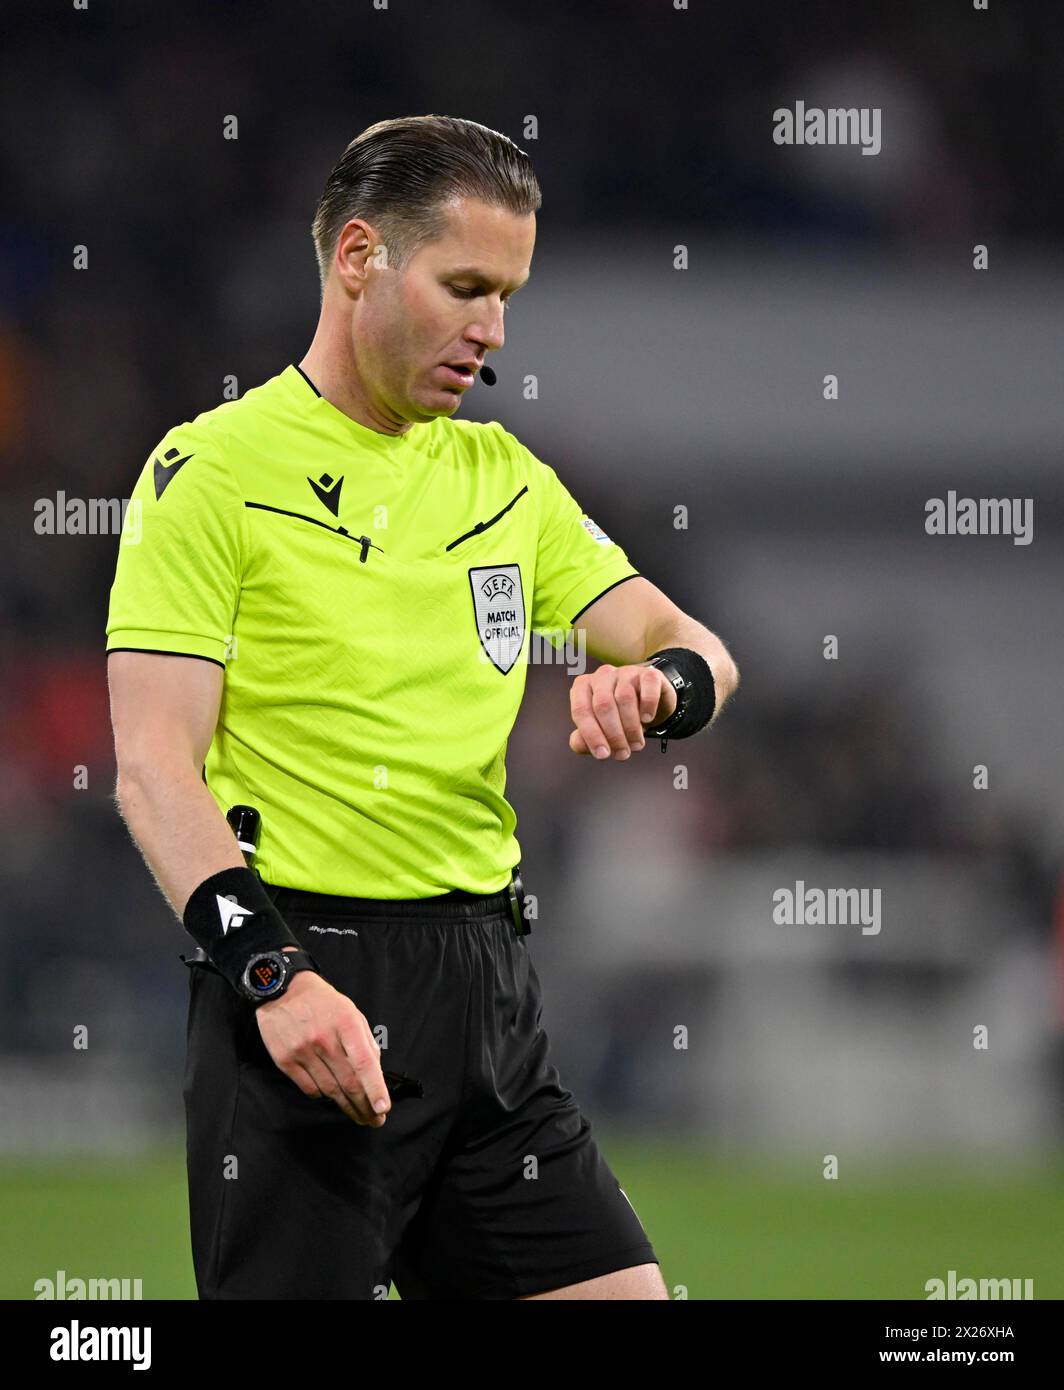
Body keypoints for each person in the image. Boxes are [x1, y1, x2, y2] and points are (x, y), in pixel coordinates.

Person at [105, 114, 739, 1301]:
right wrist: (271, 978)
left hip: (487, 996)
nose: (490, 331)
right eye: (463, 286)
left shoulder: (504, 479)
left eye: (506, 295)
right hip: (308, 982)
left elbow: (689, 641)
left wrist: (662, 687)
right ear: (358, 259)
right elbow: (151, 769)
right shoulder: (208, 476)